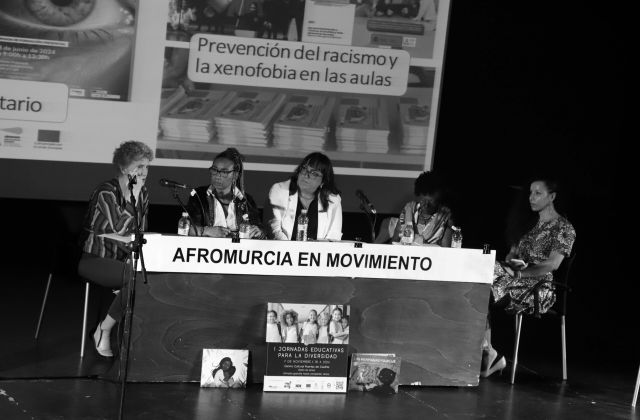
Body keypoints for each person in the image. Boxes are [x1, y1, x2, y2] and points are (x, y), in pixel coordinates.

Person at [481, 177, 576, 377]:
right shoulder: (527, 225)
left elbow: (552, 264)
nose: (531, 198)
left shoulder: (564, 229)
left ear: (552, 197)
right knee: (479, 283)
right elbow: (512, 254)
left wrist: (520, 274)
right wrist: (510, 262)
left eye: (537, 193)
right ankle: (488, 353)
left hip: (539, 289)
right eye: (530, 193)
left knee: (483, 291)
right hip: (514, 280)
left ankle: (490, 356)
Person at [77, 141, 153, 358]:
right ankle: (104, 329)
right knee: (136, 279)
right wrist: (134, 196)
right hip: (94, 259)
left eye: (147, 166)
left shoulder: (143, 192)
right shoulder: (106, 192)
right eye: (139, 166)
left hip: (122, 259)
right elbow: (120, 227)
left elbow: (141, 229)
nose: (144, 172)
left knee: (148, 278)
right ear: (123, 168)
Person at [186, 148, 265, 238]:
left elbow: (260, 230)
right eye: (214, 170)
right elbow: (186, 228)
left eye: (224, 172)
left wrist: (258, 232)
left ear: (235, 175)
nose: (217, 176)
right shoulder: (199, 195)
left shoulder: (246, 200)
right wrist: (207, 231)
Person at [265, 152, 342, 241]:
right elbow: (274, 230)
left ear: (323, 181)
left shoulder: (333, 199)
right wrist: (292, 251)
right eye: (304, 169)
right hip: (284, 251)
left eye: (314, 173)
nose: (306, 175)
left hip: (317, 253)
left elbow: (334, 236)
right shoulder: (280, 190)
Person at [392, 171, 454, 246]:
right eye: (423, 200)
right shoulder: (408, 210)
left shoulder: (444, 218)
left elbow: (446, 251)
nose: (426, 205)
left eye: (431, 201)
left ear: (438, 200)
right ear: (418, 196)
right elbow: (394, 243)